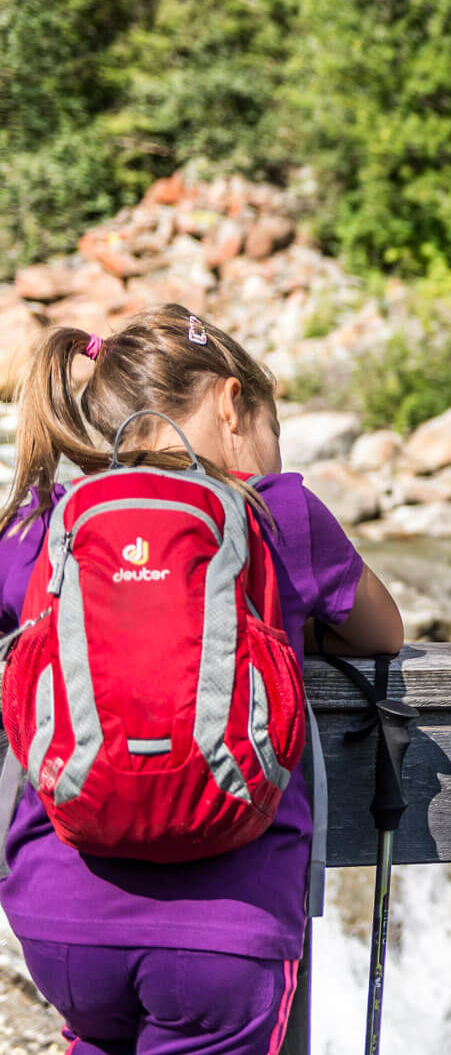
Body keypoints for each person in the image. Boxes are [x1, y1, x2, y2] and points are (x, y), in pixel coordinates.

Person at [0, 304, 404, 1054]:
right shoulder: (279, 510)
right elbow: (385, 632)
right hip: (229, 930)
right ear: (231, 403)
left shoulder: (49, 521)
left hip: (62, 918)